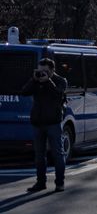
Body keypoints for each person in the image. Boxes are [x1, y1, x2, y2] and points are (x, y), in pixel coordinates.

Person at [21, 58, 68, 193]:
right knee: (39, 155)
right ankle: (40, 182)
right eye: (40, 70)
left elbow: (58, 95)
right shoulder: (36, 80)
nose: (42, 73)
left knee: (57, 154)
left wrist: (48, 81)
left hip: (53, 122)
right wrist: (33, 79)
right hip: (38, 122)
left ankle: (60, 183)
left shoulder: (60, 81)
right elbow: (24, 92)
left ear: (52, 70)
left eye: (45, 71)